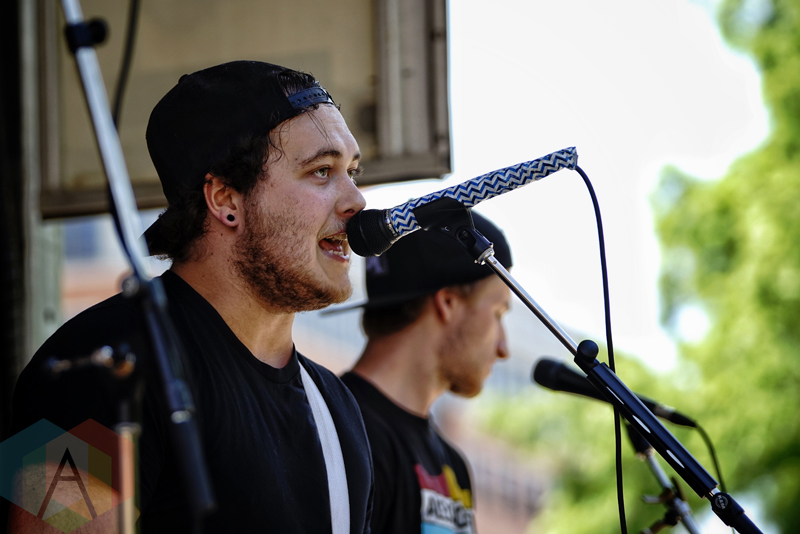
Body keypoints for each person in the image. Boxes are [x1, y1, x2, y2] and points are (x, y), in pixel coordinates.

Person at [8, 60, 373, 533]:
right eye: (322, 171)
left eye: (353, 172)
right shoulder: (90, 364)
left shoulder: (336, 406)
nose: (356, 200)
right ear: (225, 200)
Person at [338, 212, 513, 534]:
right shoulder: (335, 430)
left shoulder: (452, 464)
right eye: (498, 313)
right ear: (447, 303)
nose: (504, 348)